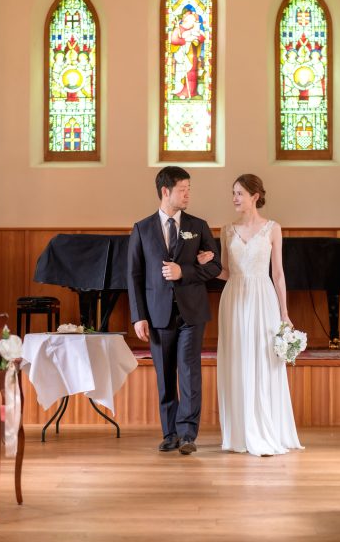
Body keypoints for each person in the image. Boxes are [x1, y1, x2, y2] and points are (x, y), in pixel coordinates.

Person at [198, 174, 303, 456]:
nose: (235, 198)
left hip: (263, 297)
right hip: (234, 296)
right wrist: (208, 264)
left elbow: (278, 275)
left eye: (240, 193)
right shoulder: (227, 230)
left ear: (255, 196)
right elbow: (227, 272)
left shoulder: (272, 228)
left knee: (263, 360)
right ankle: (240, 432)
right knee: (238, 358)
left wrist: (285, 312)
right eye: (233, 192)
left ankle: (266, 429)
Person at [127, 166, 221, 454]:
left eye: (189, 188)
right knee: (165, 375)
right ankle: (170, 434)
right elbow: (134, 275)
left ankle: (188, 434)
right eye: (183, 189)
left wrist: (185, 272)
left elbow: (215, 267)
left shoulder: (199, 225)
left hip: (192, 313)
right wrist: (138, 315)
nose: (188, 194)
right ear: (165, 191)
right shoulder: (141, 229)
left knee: (190, 373)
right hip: (157, 315)